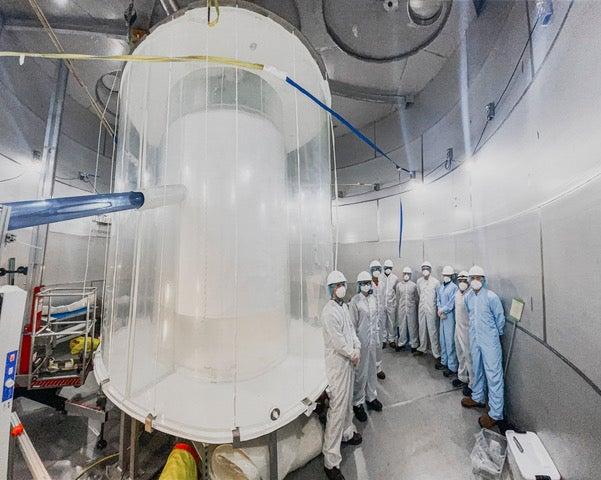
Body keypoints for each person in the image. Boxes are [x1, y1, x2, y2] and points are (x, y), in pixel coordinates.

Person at [321, 270, 363, 480]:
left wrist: (357, 346)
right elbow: (338, 342)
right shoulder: (328, 312)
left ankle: (347, 433)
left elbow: (351, 331)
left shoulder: (344, 307)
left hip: (349, 362)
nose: (341, 287)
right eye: (336, 285)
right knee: (337, 409)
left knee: (347, 404)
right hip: (338, 366)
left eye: (342, 283)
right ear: (330, 289)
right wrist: (352, 353)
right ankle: (331, 460)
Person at [460, 266, 506, 430]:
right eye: (472, 278)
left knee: (494, 374)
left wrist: (494, 335)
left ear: (484, 279)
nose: (475, 281)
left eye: (478, 278)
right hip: (475, 338)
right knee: (476, 368)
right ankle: (478, 397)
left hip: (490, 340)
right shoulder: (468, 298)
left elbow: (500, 320)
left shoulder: (492, 297)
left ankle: (495, 413)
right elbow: (470, 315)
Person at [350, 271, 383, 422]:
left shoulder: (373, 299)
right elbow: (352, 326)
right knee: (360, 373)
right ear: (359, 285)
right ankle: (357, 402)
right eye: (363, 283)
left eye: (368, 283)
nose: (366, 286)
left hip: (372, 342)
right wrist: (355, 345)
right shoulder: (355, 302)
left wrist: (376, 339)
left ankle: (371, 397)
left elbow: (376, 321)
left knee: (371, 371)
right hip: (360, 343)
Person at [415, 261, 441, 364]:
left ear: (430, 270)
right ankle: (422, 348)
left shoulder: (436, 282)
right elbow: (419, 293)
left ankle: (436, 353)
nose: (425, 270)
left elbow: (438, 297)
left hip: (431, 309)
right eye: (423, 268)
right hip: (422, 309)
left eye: (427, 268)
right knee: (422, 329)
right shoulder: (419, 281)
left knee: (432, 330)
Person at [452, 271, 473, 396]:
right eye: (460, 281)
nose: (462, 283)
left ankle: (472, 384)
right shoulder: (457, 294)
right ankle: (462, 378)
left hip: (467, 330)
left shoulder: (470, 295)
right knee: (460, 354)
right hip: (458, 328)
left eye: (465, 281)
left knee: (469, 357)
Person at [436, 266, 459, 377]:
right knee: (443, 340)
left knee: (450, 342)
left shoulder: (454, 288)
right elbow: (438, 299)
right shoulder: (441, 287)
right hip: (442, 317)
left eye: (448, 275)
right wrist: (439, 309)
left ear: (452, 276)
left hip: (449, 318)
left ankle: (452, 366)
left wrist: (443, 310)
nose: (446, 277)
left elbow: (451, 303)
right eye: (445, 275)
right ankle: (444, 362)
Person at [369, 260, 387, 379]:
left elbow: (383, 298)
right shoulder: (367, 284)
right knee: (370, 344)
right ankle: (370, 368)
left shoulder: (382, 283)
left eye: (378, 269)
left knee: (379, 343)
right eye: (374, 269)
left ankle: (378, 367)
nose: (376, 271)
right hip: (370, 319)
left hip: (380, 317)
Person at [395, 266, 419, 352]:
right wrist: (399, 307)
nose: (406, 275)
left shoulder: (414, 285)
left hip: (411, 309)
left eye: (408, 274)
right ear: (402, 274)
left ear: (410, 275)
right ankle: (401, 343)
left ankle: (414, 344)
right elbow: (397, 297)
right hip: (401, 309)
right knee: (402, 326)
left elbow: (416, 298)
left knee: (413, 326)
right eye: (405, 273)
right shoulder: (399, 285)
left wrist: (413, 306)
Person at [383, 259, 399, 349]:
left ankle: (391, 339)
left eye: (389, 268)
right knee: (383, 322)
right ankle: (383, 340)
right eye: (386, 267)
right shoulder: (380, 277)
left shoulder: (395, 278)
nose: (388, 269)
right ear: (384, 268)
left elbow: (396, 292)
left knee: (391, 322)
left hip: (391, 304)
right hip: (382, 304)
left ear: (392, 268)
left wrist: (394, 304)